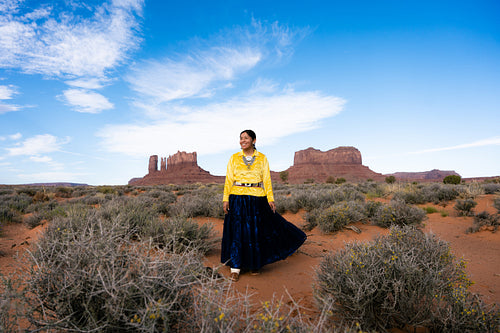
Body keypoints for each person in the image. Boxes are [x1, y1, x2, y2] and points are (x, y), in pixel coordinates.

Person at [221, 129, 307, 282]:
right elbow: (229, 179)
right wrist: (225, 198)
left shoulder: (262, 158)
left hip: (257, 197)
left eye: (245, 138)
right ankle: (235, 268)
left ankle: (254, 264)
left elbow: (266, 179)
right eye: (240, 138)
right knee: (237, 232)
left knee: (255, 231)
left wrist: (270, 199)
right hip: (237, 197)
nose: (242, 141)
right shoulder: (234, 158)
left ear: (254, 140)